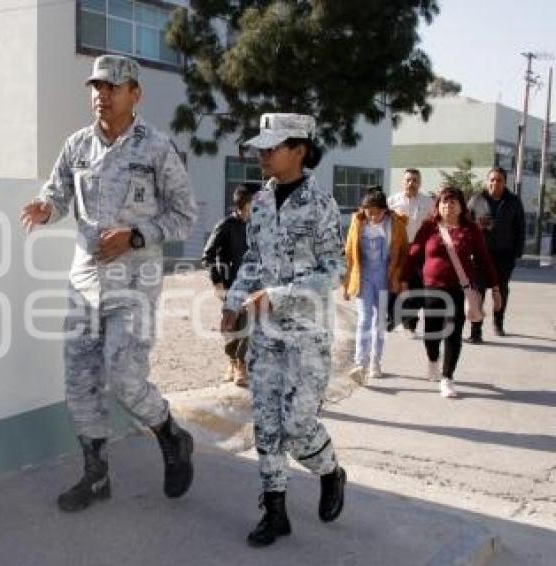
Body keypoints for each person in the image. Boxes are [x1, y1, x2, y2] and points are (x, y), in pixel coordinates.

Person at [19, 55, 198, 512]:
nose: (101, 94)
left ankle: (170, 434)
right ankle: (96, 476)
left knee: (123, 376)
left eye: (112, 87)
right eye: (96, 86)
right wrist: (44, 208)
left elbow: (185, 215)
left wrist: (135, 235)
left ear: (134, 93)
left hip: (134, 282)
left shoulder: (156, 148)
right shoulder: (77, 145)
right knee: (79, 381)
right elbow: (57, 193)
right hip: (84, 281)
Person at [220, 113, 346, 547]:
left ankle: (330, 471)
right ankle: (275, 512)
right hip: (266, 335)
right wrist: (234, 302)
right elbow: (253, 261)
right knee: (267, 425)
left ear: (300, 150)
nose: (263, 154)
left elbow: (334, 271)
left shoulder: (322, 204)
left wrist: (280, 294)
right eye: (261, 147)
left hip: (306, 336)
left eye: (273, 147)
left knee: (297, 425)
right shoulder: (261, 204)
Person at [402, 186, 501, 398]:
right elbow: (414, 254)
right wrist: (402, 279)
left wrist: (495, 288)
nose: (448, 205)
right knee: (431, 334)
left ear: (461, 206)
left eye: (453, 201)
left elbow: (484, 259)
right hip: (432, 290)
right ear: (438, 205)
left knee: (453, 333)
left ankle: (447, 378)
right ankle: (432, 359)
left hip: (459, 289)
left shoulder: (470, 229)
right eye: (444, 202)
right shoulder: (429, 227)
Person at [342, 189, 408, 383]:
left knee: (379, 320)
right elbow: (349, 254)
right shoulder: (357, 222)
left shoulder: (396, 225)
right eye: (368, 211)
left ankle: (375, 361)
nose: (371, 216)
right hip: (363, 276)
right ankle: (360, 363)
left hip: (384, 276)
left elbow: (404, 252)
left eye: (375, 212)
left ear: (384, 211)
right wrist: (346, 284)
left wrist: (399, 278)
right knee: (364, 319)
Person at [202, 183, 260, 387]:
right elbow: (207, 256)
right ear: (244, 203)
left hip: (254, 284)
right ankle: (232, 361)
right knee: (232, 327)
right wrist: (217, 282)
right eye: (256, 201)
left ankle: (241, 364)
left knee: (249, 324)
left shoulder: (259, 226)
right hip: (230, 284)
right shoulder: (226, 225)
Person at [467, 167, 526, 341]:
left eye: (499, 180)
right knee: (478, 292)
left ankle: (498, 323)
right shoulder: (476, 200)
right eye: (492, 179)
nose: (495, 183)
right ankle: (476, 330)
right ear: (487, 181)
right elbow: (466, 225)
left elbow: (520, 228)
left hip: (505, 254)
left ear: (505, 182)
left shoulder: (513, 201)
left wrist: (517, 253)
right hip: (480, 254)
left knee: (500, 290)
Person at [387, 168, 434, 334]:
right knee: (395, 284)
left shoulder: (429, 203)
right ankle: (392, 317)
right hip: (398, 248)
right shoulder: (392, 201)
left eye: (415, 180)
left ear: (419, 183)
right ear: (403, 182)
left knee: (416, 285)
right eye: (408, 180)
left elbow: (434, 224)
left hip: (420, 250)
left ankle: (410, 321)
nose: (411, 183)